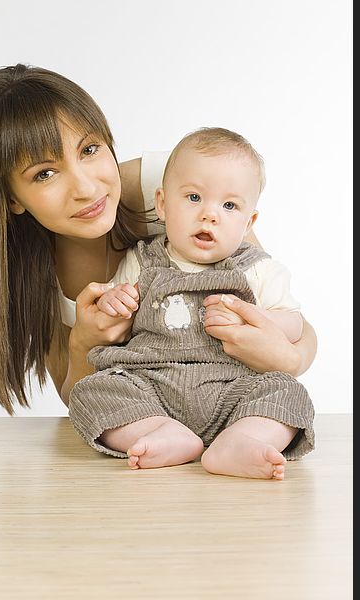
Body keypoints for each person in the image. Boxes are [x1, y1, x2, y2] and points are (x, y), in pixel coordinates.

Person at [0, 63, 317, 427]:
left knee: (283, 397)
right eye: (45, 173)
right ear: (11, 198)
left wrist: (286, 360)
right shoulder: (28, 266)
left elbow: (282, 309)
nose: (85, 188)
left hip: (228, 394)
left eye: (90, 149)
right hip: (151, 411)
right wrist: (84, 342)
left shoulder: (181, 187)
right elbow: (77, 397)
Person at [68, 128, 315, 480]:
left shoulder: (258, 269)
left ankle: (241, 439)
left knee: (287, 393)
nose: (210, 215)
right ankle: (159, 432)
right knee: (92, 390)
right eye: (194, 197)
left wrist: (259, 318)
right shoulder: (142, 261)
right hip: (151, 385)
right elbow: (118, 306)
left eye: (229, 206)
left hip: (234, 389)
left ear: (249, 222)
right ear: (163, 204)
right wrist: (114, 300)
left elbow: (295, 323)